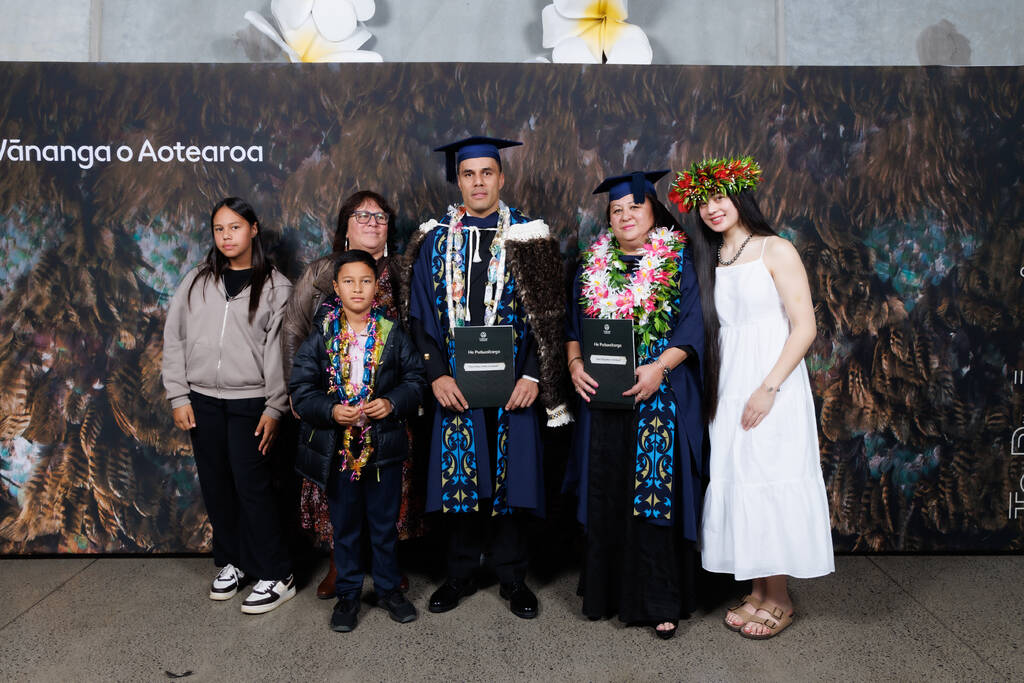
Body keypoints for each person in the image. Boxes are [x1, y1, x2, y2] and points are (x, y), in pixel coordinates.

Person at [669, 156, 835, 639]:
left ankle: (779, 597)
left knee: (770, 477)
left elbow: (805, 327)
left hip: (771, 383)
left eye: (719, 197)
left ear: (739, 197)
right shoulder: (710, 259)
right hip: (728, 383)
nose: (712, 209)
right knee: (741, 479)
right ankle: (759, 590)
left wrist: (768, 389)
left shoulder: (775, 250)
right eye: (702, 203)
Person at [404, 136, 570, 619]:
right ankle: (457, 575)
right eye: (468, 174)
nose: (478, 182)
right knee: (460, 483)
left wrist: (535, 377)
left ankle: (513, 577)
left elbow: (550, 316)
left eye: (487, 173)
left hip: (514, 382)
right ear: (458, 180)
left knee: (511, 481)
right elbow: (420, 317)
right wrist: (435, 376)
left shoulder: (529, 235)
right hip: (455, 383)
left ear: (501, 177)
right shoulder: (435, 239)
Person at [564, 171, 706, 639]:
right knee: (608, 484)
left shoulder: (677, 261)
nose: (625, 216)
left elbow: (692, 326)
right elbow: (572, 326)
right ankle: (605, 593)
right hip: (603, 398)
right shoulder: (590, 265)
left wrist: (659, 368)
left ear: (653, 212)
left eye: (635, 208)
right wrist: (575, 362)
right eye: (616, 210)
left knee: (653, 494)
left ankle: (659, 599)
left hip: (658, 394)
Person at [281, 190, 426, 599]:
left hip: (387, 402)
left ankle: (387, 568)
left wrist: (404, 395)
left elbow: (417, 332)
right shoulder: (321, 272)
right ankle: (339, 566)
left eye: (380, 216)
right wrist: (300, 392)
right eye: (362, 216)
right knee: (337, 492)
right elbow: (294, 329)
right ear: (344, 224)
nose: (372, 222)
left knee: (388, 492)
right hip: (333, 405)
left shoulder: (404, 270)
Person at [162, 196, 295, 614]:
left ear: (253, 229)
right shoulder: (197, 281)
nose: (226, 236)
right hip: (202, 400)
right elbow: (174, 338)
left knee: (252, 486)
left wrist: (274, 408)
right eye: (219, 229)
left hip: (250, 403)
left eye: (235, 227)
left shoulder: (277, 287)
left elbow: (280, 356)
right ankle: (234, 561)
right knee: (216, 484)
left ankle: (277, 572)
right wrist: (179, 394)